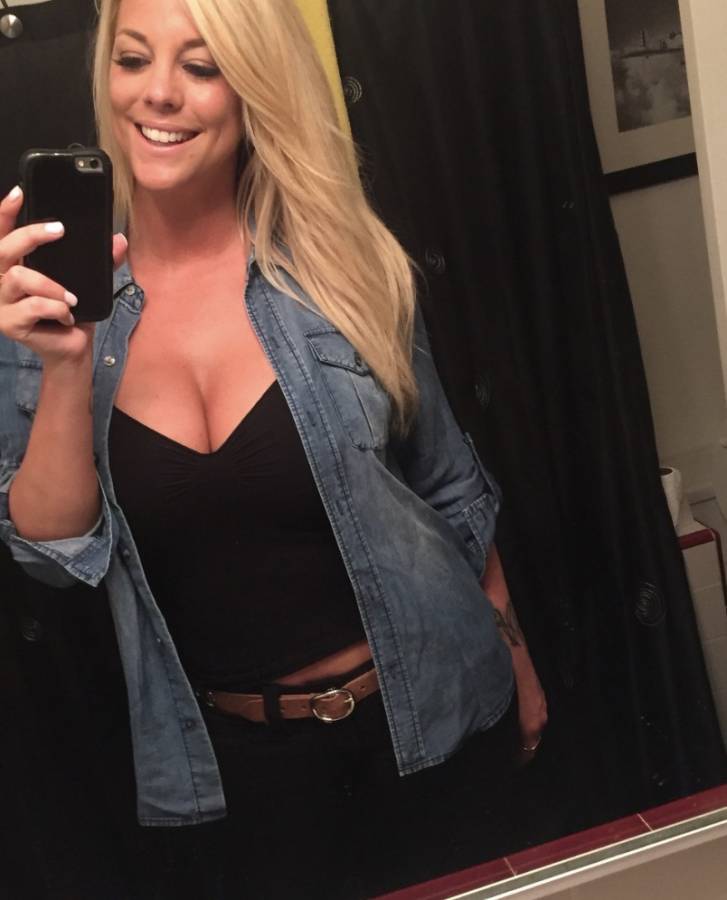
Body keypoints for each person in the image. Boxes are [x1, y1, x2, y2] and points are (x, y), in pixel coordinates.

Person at [0, 0, 547, 895]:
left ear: (252, 89)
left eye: (202, 66)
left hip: (438, 719)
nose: (159, 93)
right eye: (132, 60)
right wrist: (65, 367)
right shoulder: (46, 305)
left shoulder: (340, 265)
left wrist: (515, 658)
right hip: (239, 775)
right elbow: (50, 558)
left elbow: (448, 485)